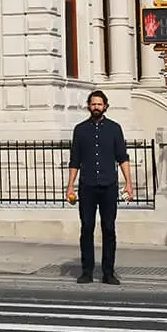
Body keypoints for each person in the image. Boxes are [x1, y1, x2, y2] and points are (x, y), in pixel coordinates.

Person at [65, 90, 133, 284]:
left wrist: (129, 183)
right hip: (87, 186)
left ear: (105, 106)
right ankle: (86, 271)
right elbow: (74, 160)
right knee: (87, 227)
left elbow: (122, 157)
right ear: (88, 106)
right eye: (93, 104)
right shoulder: (80, 130)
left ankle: (108, 272)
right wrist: (70, 186)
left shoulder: (114, 129)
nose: (96, 107)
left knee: (109, 228)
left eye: (99, 104)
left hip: (109, 185)